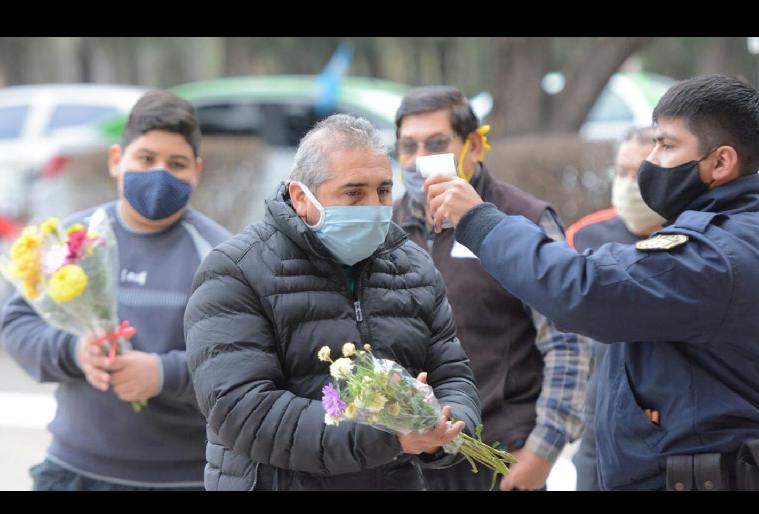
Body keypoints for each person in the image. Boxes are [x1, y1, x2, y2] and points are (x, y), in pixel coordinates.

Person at [424, 74, 759, 491]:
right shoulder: (745, 235)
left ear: (722, 162)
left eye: (668, 145)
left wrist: (481, 222)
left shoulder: (714, 256)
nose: (650, 160)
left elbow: (582, 289)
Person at [183, 113, 481, 491]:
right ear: (300, 197)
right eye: (354, 193)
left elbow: (452, 373)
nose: (373, 206)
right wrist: (389, 437)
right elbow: (243, 410)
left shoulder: (412, 266)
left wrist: (445, 430)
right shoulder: (235, 271)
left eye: (384, 191)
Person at [1, 90, 230, 490]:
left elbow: (241, 360)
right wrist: (75, 351)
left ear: (196, 171)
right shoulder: (72, 240)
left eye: (175, 164)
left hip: (185, 478)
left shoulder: (221, 254)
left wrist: (163, 374)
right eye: (145, 159)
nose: (159, 173)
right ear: (115, 160)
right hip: (73, 472)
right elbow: (17, 322)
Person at [392, 85, 591, 491]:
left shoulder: (523, 220)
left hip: (501, 458)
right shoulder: (383, 228)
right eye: (407, 146)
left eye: (435, 143)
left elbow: (567, 340)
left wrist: (542, 451)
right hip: (410, 463)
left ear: (475, 147)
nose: (419, 160)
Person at [566, 126, 664, 491]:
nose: (626, 182)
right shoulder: (585, 235)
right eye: (621, 171)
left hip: (673, 415)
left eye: (636, 173)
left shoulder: (694, 233)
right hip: (603, 408)